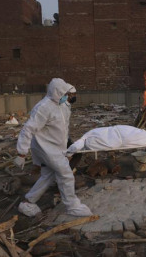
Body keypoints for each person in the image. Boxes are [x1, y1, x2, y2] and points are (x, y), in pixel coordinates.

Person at [14, 78, 92, 217]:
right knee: (66, 174)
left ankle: (27, 202)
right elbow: (28, 129)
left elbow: (62, 127)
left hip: (56, 147)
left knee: (48, 175)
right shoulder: (43, 108)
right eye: (64, 94)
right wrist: (21, 153)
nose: (67, 97)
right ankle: (72, 206)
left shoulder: (60, 105)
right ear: (57, 93)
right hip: (47, 149)